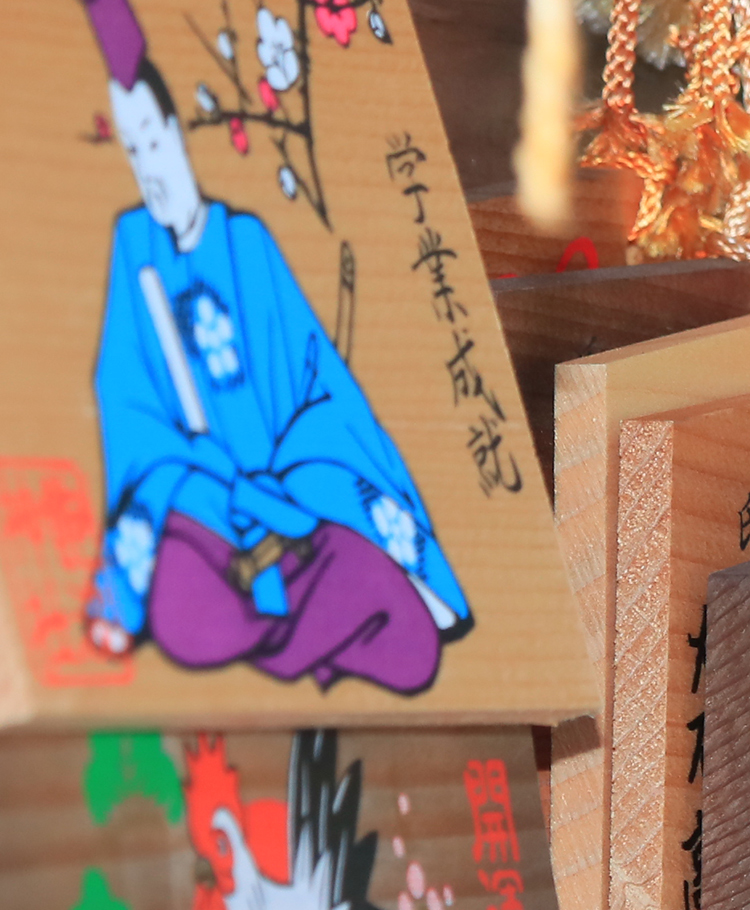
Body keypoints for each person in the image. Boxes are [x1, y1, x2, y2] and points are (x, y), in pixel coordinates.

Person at [82, 0, 468, 696]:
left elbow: (320, 383)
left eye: (154, 142)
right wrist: (192, 473)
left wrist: (289, 477)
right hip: (203, 509)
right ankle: (307, 641)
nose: (150, 169)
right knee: (180, 605)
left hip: (295, 506)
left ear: (176, 131)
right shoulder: (132, 248)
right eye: (133, 154)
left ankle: (302, 632)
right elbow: (127, 401)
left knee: (410, 641)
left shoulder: (246, 244)